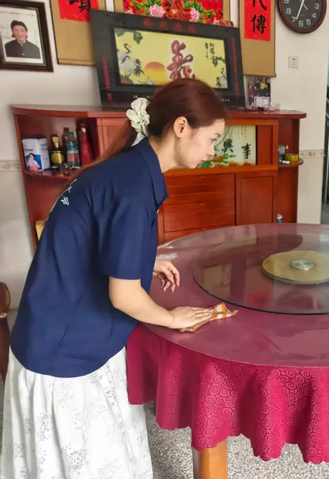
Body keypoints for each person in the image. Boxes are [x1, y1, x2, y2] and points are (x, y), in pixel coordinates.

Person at [0, 78, 227, 479]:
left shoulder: (127, 169)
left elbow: (93, 237)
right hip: (64, 351)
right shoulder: (133, 186)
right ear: (180, 127)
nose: (213, 150)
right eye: (212, 139)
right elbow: (124, 296)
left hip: (50, 330)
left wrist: (142, 260)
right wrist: (171, 317)